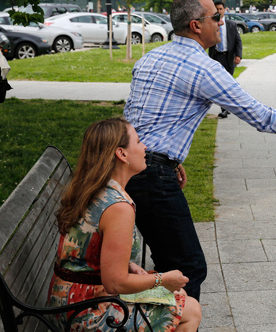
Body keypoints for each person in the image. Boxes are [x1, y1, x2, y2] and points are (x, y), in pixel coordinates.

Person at [124, 0, 276, 301]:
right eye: (215, 17)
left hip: (130, 169)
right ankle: (178, 322)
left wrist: (167, 158)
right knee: (188, 268)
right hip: (152, 178)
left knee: (170, 264)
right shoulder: (204, 68)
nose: (221, 21)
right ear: (196, 25)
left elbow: (136, 117)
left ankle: (162, 319)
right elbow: (261, 116)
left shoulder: (151, 57)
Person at [47, 118, 202, 332]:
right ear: (122, 154)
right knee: (191, 309)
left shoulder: (94, 189)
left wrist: (130, 267)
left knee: (180, 297)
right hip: (87, 313)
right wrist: (162, 279)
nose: (145, 147)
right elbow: (115, 284)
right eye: (138, 142)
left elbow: (88, 251)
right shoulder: (118, 207)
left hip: (67, 301)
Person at [209, 0, 242, 119]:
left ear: (224, 10)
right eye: (216, 9)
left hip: (229, 57)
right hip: (216, 56)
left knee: (229, 83)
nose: (218, 11)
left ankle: (230, 106)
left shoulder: (231, 24)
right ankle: (224, 109)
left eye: (220, 9)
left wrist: (238, 55)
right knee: (221, 84)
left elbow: (238, 41)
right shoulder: (211, 24)